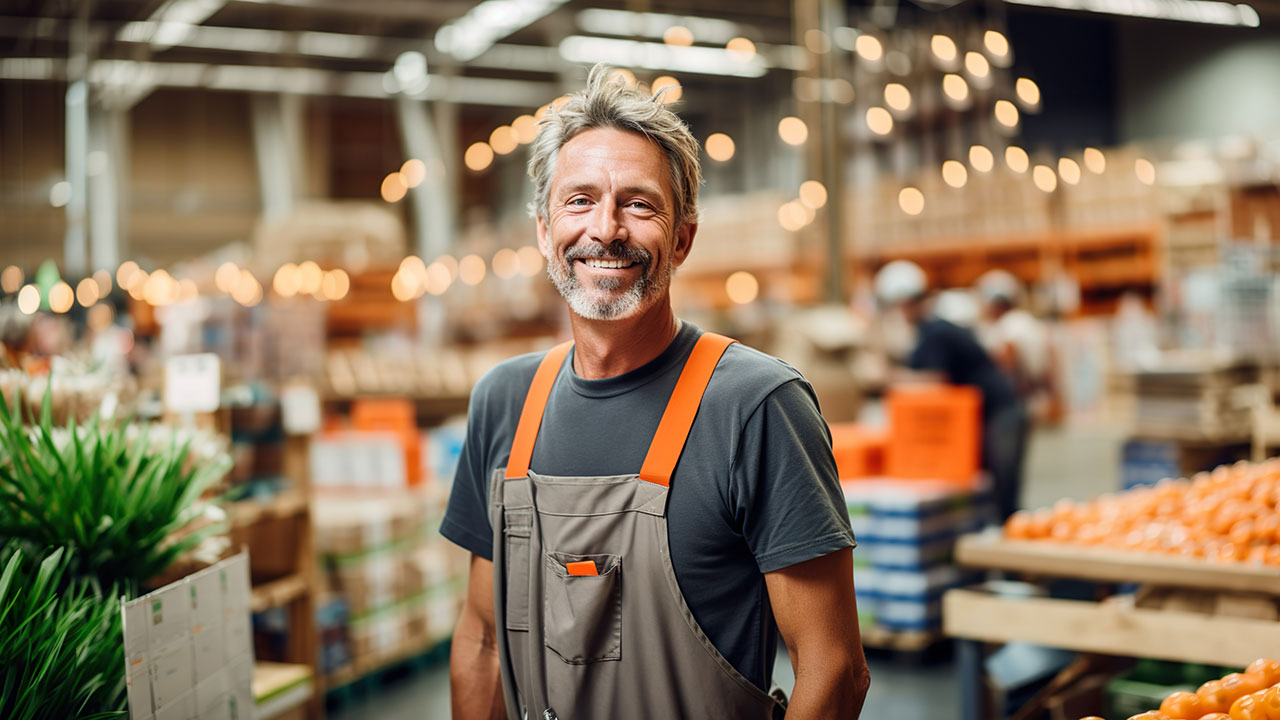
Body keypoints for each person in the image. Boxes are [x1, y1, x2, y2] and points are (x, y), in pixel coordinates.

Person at [441, 65, 870, 720]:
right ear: (544, 231)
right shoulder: (504, 401)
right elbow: (482, 642)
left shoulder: (755, 406)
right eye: (579, 200)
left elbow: (834, 669)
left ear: (682, 239)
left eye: (638, 204)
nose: (605, 229)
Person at [875, 260, 1028, 523]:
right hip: (991, 413)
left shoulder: (935, 332)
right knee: (991, 487)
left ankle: (1010, 539)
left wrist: (888, 376)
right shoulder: (933, 331)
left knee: (1003, 490)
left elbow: (935, 382)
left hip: (1001, 412)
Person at [976, 269, 1059, 425]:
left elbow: (1008, 359)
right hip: (1033, 398)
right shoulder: (1027, 321)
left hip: (1017, 401)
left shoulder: (1010, 324)